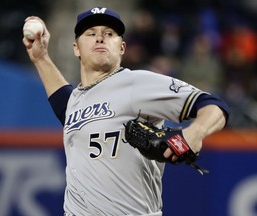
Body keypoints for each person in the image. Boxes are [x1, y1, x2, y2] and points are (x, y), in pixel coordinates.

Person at [23, 6, 229, 216]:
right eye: (91, 33)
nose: (100, 38)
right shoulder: (76, 100)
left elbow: (214, 105)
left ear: (122, 47)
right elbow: (65, 106)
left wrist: (195, 132)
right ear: (76, 48)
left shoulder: (137, 83)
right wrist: (41, 59)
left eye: (109, 34)